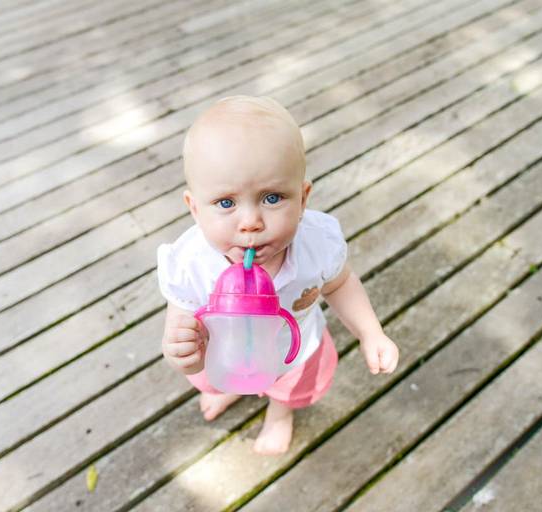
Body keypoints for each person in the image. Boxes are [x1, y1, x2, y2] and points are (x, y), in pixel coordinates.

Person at [157, 95, 399, 455]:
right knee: (221, 378)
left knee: (288, 386)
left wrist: (370, 332)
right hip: (221, 351)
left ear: (303, 198)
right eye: (226, 203)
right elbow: (181, 324)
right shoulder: (192, 263)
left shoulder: (316, 244)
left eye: (272, 198)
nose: (251, 222)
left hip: (292, 349)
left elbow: (341, 283)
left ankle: (280, 413)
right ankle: (232, 388)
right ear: (195, 209)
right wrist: (184, 353)